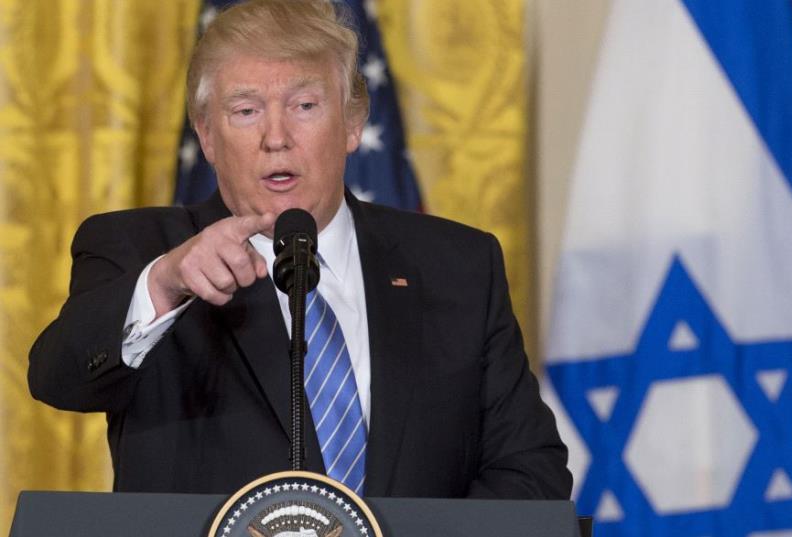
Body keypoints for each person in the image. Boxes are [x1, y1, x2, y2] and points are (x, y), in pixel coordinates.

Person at [28, 0, 572, 499]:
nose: (276, 137)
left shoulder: (458, 265)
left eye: (305, 105)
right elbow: (58, 377)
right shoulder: (141, 249)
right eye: (245, 110)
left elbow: (530, 473)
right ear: (207, 135)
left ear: (353, 123)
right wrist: (165, 283)